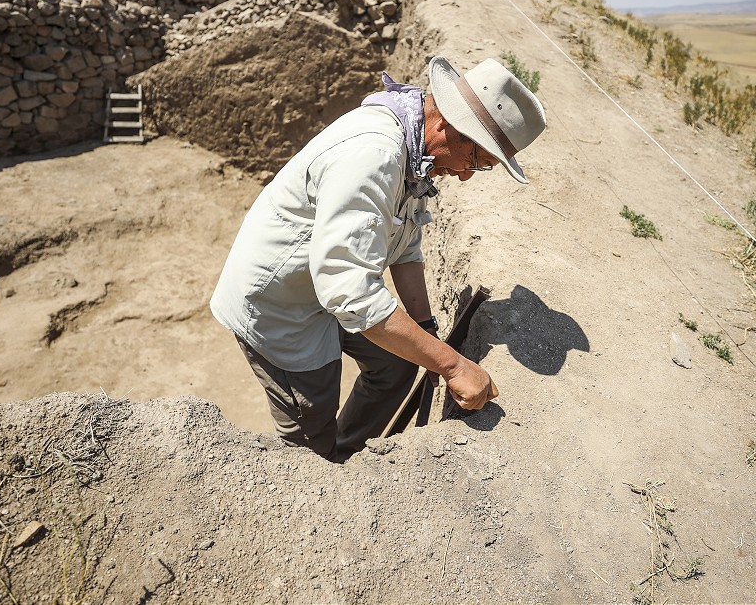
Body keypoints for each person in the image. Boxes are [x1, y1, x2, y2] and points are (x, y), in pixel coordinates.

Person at [210, 55, 547, 462]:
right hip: (280, 303)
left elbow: (404, 245)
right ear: (447, 126)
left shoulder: (414, 148)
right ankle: (320, 466)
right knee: (311, 420)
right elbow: (351, 293)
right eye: (477, 160)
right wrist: (454, 366)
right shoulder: (375, 156)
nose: (466, 176)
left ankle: (347, 455)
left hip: (327, 284)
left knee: (397, 364)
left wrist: (426, 330)